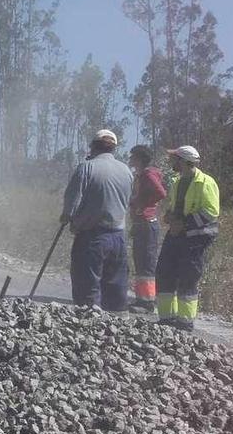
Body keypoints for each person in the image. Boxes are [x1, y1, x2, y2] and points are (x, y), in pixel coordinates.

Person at [60, 129, 134, 312]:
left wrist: (67, 216)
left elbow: (73, 199)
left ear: (93, 147)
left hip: (92, 237)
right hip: (118, 237)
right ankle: (116, 327)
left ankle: (88, 325)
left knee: (88, 289)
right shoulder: (126, 171)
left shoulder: (87, 167)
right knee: (116, 288)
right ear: (113, 149)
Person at [155, 145, 220, 331]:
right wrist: (169, 215)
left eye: (175, 159)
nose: (172, 162)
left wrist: (184, 223)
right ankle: (166, 319)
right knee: (165, 271)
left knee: (187, 276)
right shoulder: (178, 181)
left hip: (196, 238)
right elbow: (177, 206)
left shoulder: (206, 182)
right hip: (177, 235)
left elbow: (211, 212)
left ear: (183, 161)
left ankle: (185, 322)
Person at [127, 145, 168, 313]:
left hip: (147, 223)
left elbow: (161, 193)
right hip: (140, 223)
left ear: (139, 158)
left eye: (133, 157)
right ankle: (141, 299)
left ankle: (148, 302)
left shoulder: (149, 174)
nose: (130, 159)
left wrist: (144, 204)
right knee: (140, 261)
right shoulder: (140, 176)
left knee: (147, 263)